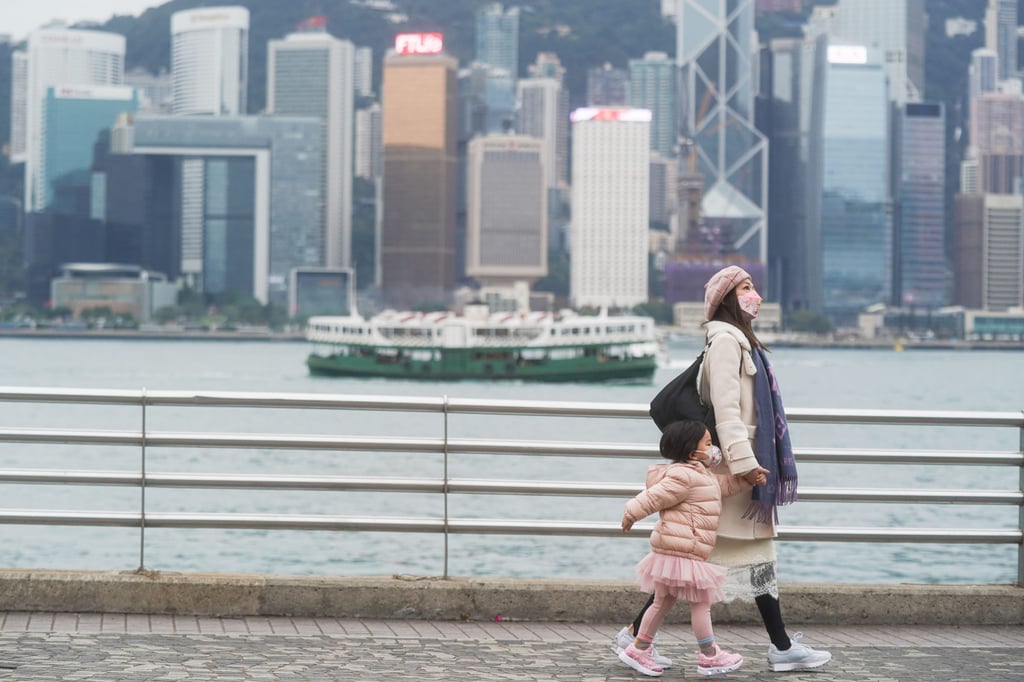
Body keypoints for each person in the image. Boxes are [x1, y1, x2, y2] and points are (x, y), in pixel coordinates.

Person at [613, 265, 832, 674]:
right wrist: (748, 466)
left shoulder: (739, 341)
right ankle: (776, 648)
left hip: (736, 466)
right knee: (700, 558)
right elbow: (727, 411)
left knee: (699, 559)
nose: (756, 295)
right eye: (747, 287)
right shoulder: (728, 342)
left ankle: (638, 637)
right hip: (733, 468)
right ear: (728, 298)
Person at [617, 419, 768, 677]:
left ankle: (639, 648)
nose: (713, 449)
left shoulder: (702, 475)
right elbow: (654, 497)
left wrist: (748, 480)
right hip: (683, 550)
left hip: (678, 550)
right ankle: (709, 655)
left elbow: (724, 486)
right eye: (708, 444)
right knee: (701, 603)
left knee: (662, 603)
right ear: (691, 452)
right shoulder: (683, 476)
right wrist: (631, 512)